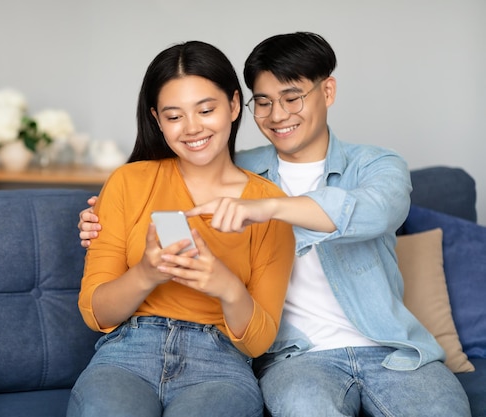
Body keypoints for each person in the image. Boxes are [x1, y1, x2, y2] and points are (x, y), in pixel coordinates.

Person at [77, 32, 471, 416]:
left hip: (389, 349)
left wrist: (266, 208)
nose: (278, 115)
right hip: (293, 357)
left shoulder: (372, 166)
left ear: (327, 92)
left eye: (292, 97)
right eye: (263, 102)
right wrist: (104, 219)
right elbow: (191, 169)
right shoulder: (224, 166)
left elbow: (374, 211)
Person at [66, 40, 294, 417]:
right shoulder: (128, 182)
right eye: (174, 117)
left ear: (234, 105)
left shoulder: (267, 205)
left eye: (206, 110)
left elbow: (259, 341)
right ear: (156, 119)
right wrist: (146, 273)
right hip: (128, 355)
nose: (192, 128)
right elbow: (96, 313)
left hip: (219, 365)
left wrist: (225, 286)